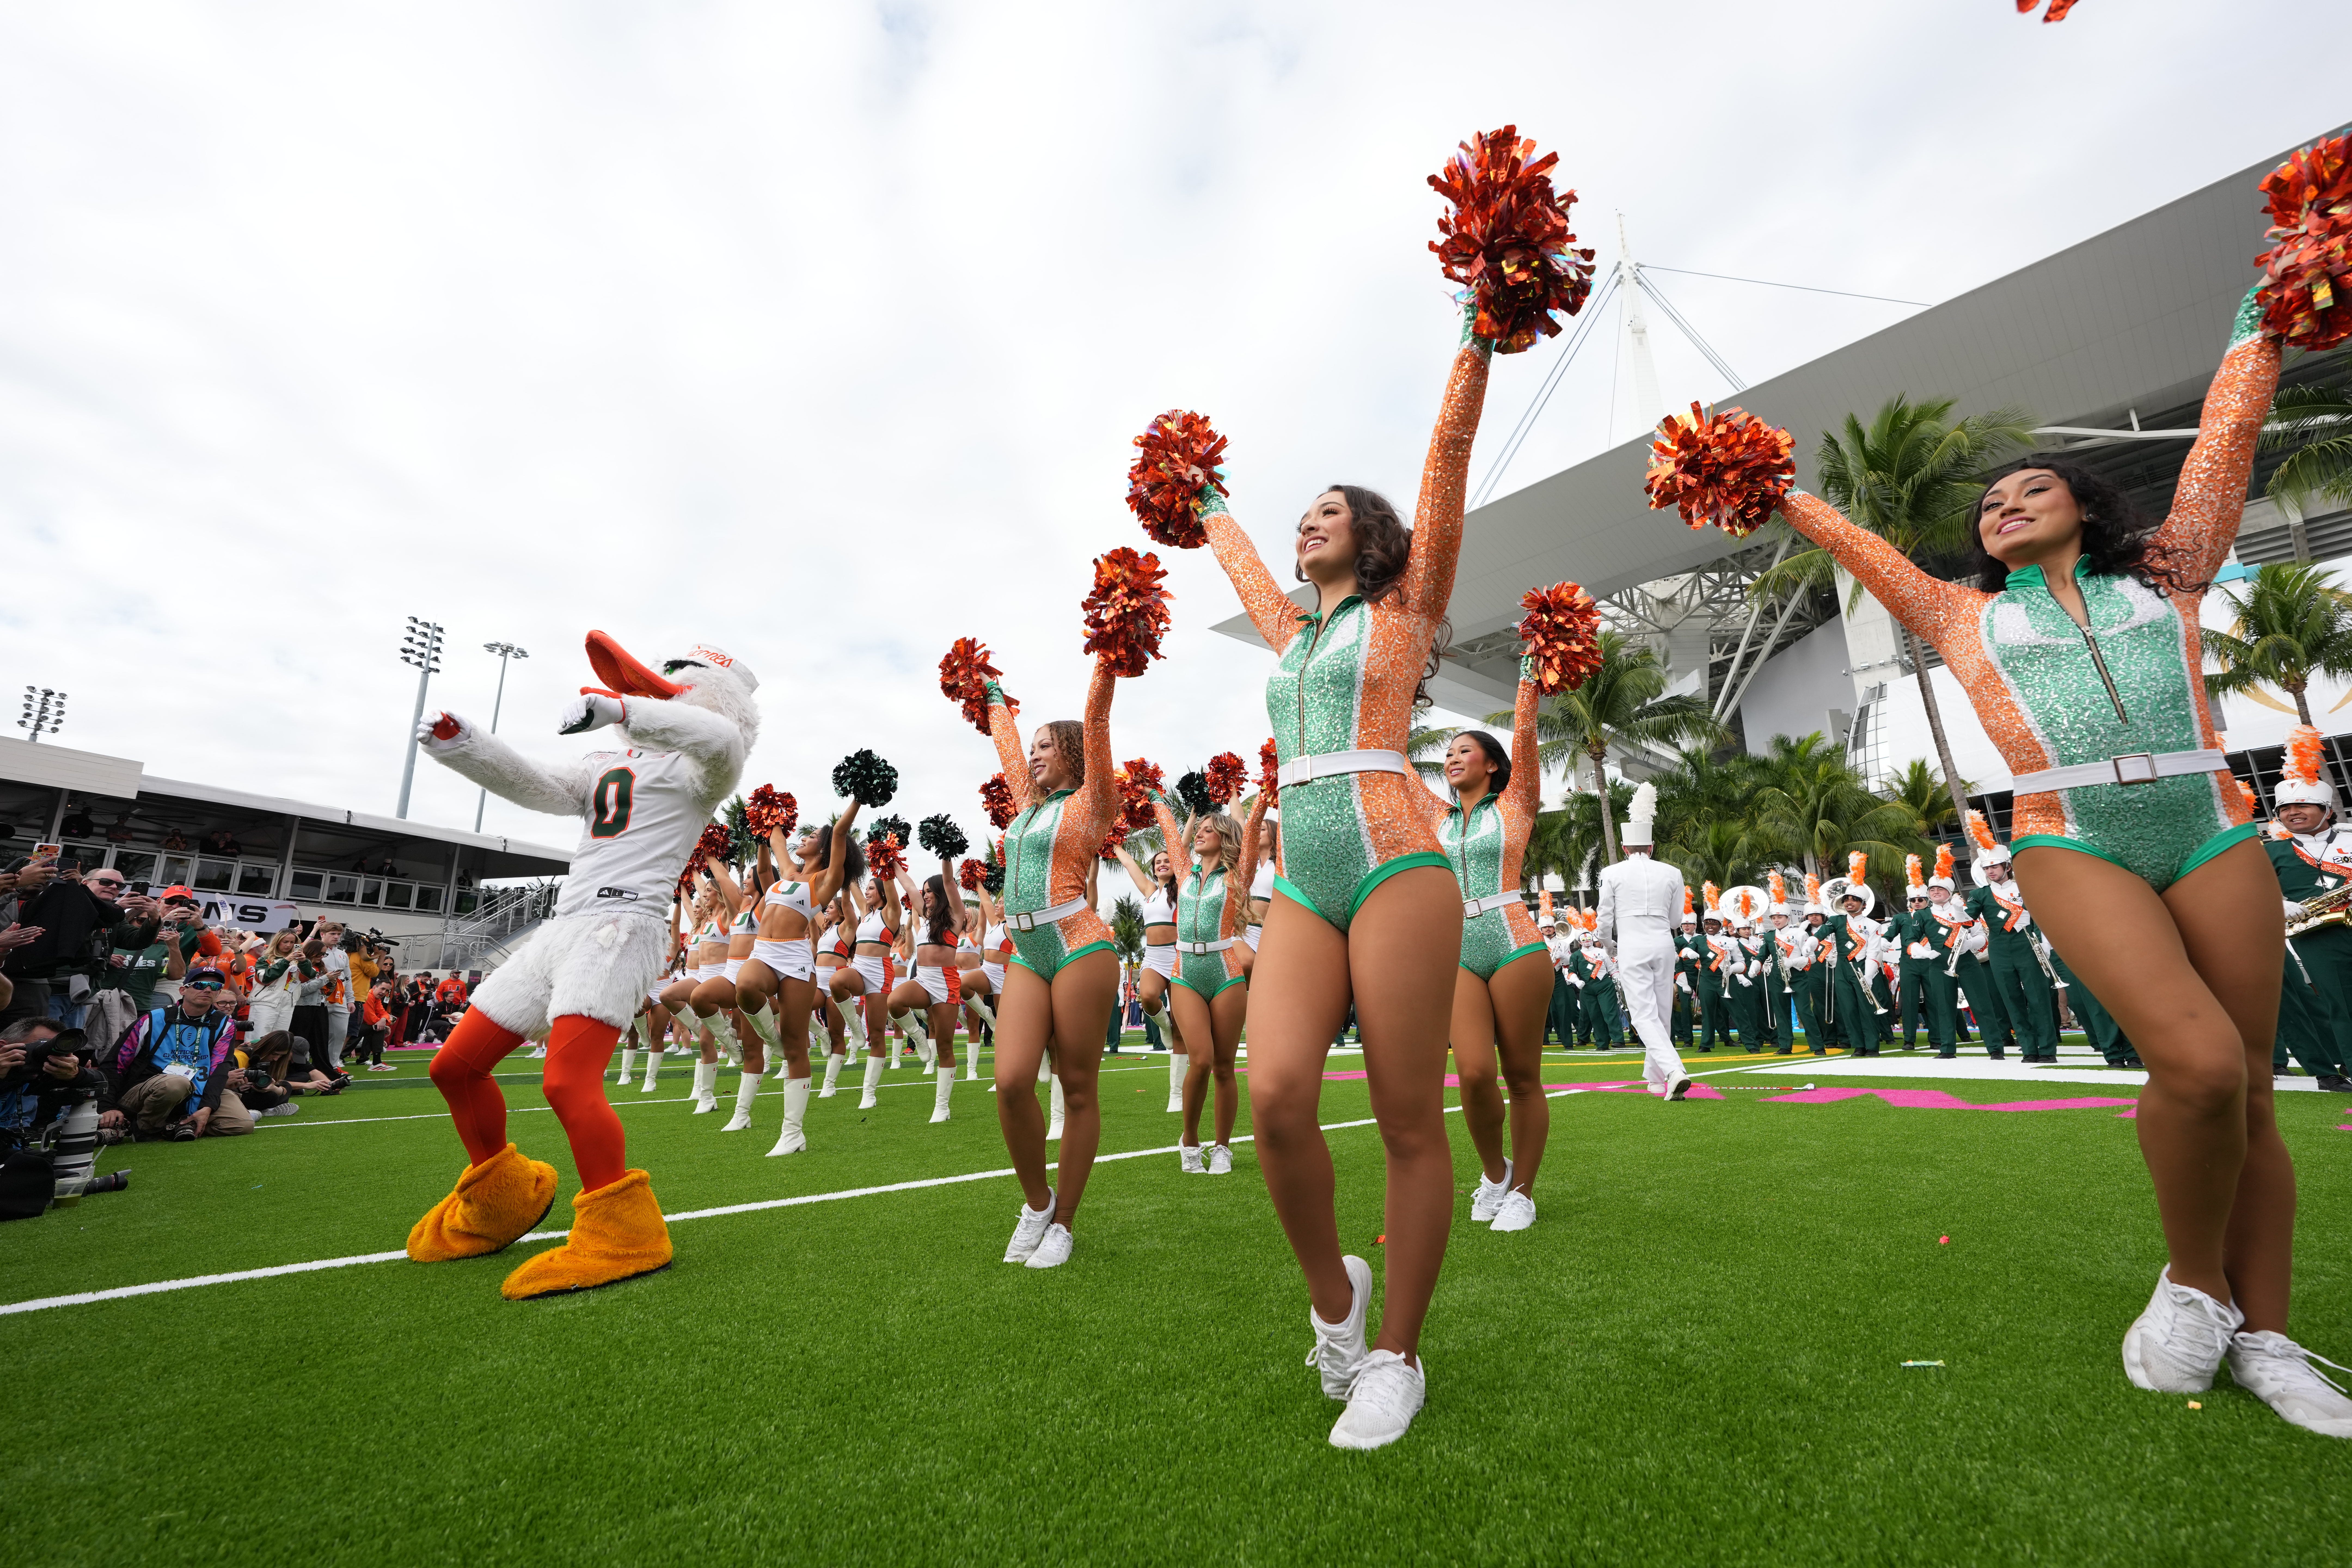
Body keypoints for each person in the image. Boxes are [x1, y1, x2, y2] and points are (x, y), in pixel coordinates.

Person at [1749, 259, 2348, 1434]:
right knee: (2197, 1064)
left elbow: (2226, 431)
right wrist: (1761, 480)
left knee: (2255, 1098)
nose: (2002, 506)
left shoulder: (2169, 572)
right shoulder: (1961, 615)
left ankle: (2265, 1340)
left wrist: (2259, 315)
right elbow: (1851, 541)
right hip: (2066, 832)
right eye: (1988, 507)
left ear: (2083, 502)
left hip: (2207, 818)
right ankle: (2191, 1284)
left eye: (2029, 490)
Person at [1187, 292, 1496, 1451]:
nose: (1306, 522)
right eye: (1299, 513)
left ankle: (1399, 1356)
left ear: (1369, 542)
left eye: (1330, 513)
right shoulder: (1288, 630)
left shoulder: (1406, 607)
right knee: (1272, 1099)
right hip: (1303, 884)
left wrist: (1473, 334)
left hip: (1397, 862)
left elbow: (1445, 462)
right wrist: (1202, 489)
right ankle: (1337, 1306)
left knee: (1406, 1117)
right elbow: (1236, 560)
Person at [405, 632, 760, 1300]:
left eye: (677, 678)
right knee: (453, 1066)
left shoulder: (702, 766)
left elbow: (717, 738)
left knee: (567, 1081)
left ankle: (623, 1231)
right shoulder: (613, 756)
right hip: (563, 925)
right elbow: (540, 786)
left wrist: (622, 709)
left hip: (621, 927)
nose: (657, 683)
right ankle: (505, 1196)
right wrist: (464, 744)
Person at [968, 636, 1131, 1273]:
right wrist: (984, 688)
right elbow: (1003, 740)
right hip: (1027, 950)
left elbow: (1097, 721)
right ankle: (1038, 1202)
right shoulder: (1026, 808)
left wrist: (1109, 656)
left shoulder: (1094, 803)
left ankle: (1064, 1223)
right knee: (1010, 1082)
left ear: (1069, 751)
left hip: (1079, 944)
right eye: (1030, 745)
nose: (1031, 754)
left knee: (1078, 1087)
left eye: (1044, 745)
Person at [1147, 788, 1266, 1176]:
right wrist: (1155, 800)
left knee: (1224, 1066)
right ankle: (1190, 1141)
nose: (1198, 833)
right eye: (1198, 829)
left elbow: (1250, 837)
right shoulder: (1184, 871)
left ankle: (1222, 1148)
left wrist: (1264, 795)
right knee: (1199, 1059)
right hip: (1185, 972)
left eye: (1207, 830)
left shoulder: (1237, 874)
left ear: (1224, 838)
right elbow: (1169, 832)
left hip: (1226, 970)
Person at [2264, 727, 2352, 1092]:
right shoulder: (2270, 852)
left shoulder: (2349, 840)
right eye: (2286, 808)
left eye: (2302, 806)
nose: (2293, 813)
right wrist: (2277, 903)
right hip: (2316, 937)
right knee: (2343, 1005)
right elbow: (2251, 893)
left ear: (2327, 810)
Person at [1597, 783, 1692, 1101]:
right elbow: (1678, 919)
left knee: (1642, 1014)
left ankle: (1673, 1070)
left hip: (1632, 944)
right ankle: (1655, 1078)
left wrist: (1607, 944)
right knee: (1662, 1010)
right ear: (1652, 846)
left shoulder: (1612, 873)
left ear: (1625, 848)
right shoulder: (1672, 871)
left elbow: (1605, 917)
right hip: (1664, 942)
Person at [103, 967, 252, 1139]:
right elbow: (116, 1063)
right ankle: (145, 1128)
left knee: (241, 1124)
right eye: (200, 985)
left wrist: (208, 1107)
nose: (208, 989)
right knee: (177, 1084)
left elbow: (220, 1068)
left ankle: (174, 1126)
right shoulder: (153, 1018)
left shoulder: (225, 1024)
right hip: (149, 1090)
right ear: (183, 990)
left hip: (198, 1088)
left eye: (215, 986)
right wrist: (107, 1107)